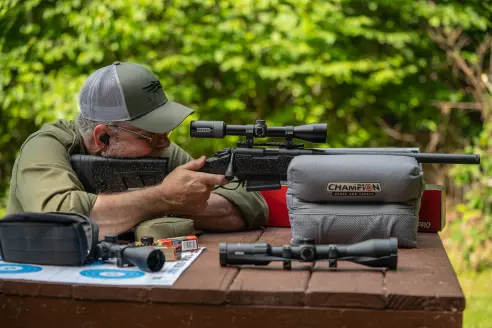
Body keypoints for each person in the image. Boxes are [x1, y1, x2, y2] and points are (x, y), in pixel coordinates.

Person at [5, 61, 269, 240]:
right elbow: (59, 220)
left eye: (165, 131)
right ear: (103, 137)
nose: (164, 143)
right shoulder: (46, 146)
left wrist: (180, 200)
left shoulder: (156, 150)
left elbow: (250, 205)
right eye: (152, 135)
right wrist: (163, 198)